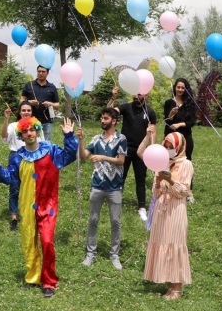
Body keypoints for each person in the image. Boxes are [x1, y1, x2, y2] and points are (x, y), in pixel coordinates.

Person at [0, 117, 78, 298]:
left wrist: (69, 136)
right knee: (29, 243)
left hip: (48, 206)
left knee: (47, 242)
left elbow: (70, 155)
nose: (29, 133)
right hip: (26, 207)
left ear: (37, 131)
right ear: (21, 136)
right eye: (25, 131)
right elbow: (10, 178)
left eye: (32, 129)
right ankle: (33, 278)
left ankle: (49, 281)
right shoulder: (18, 157)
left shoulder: (51, 151)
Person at [139, 131, 193, 299]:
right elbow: (156, 193)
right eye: (166, 146)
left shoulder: (186, 164)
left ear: (179, 147)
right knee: (163, 243)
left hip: (176, 210)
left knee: (175, 244)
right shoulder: (162, 162)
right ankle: (168, 283)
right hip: (162, 210)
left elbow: (184, 191)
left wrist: (169, 180)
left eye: (172, 147)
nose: (168, 149)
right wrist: (157, 182)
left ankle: (177, 287)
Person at [77, 108, 127, 270]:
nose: (102, 120)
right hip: (97, 185)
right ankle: (90, 254)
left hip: (115, 187)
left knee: (115, 221)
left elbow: (121, 161)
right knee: (93, 220)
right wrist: (81, 141)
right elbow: (84, 156)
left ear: (113, 121)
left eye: (105, 118)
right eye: (101, 118)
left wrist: (103, 157)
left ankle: (115, 255)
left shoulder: (121, 139)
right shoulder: (96, 139)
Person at [107, 87, 157, 221]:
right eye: (134, 93)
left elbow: (153, 131)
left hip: (141, 151)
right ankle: (115, 203)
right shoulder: (126, 108)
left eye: (139, 94)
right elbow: (109, 113)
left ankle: (142, 208)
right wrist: (113, 98)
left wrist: (152, 149)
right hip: (125, 149)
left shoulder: (150, 112)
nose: (136, 96)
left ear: (145, 95)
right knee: (120, 177)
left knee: (140, 180)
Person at [1, 101, 41, 231]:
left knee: (32, 188)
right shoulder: (14, 126)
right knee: (15, 188)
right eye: (23, 110)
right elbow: (4, 137)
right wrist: (6, 119)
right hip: (16, 157)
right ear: (19, 112)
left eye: (28, 110)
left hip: (32, 157)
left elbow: (42, 144)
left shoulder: (36, 126)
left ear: (32, 112)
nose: (26, 112)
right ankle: (14, 218)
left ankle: (31, 216)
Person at [21, 65, 59, 141]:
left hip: (47, 121)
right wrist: (29, 102)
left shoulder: (52, 87)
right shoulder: (29, 85)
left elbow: (57, 105)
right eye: (39, 71)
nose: (41, 73)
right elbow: (21, 101)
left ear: (47, 73)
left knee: (46, 143)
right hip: (31, 120)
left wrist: (50, 104)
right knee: (30, 141)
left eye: (43, 72)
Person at [163, 78, 196, 160]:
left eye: (182, 88)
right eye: (178, 87)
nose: (180, 89)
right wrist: (171, 114)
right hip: (171, 138)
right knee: (169, 162)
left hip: (185, 137)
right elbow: (167, 121)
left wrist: (179, 124)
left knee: (185, 162)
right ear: (175, 88)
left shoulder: (190, 104)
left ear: (186, 89)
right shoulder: (168, 103)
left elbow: (192, 122)